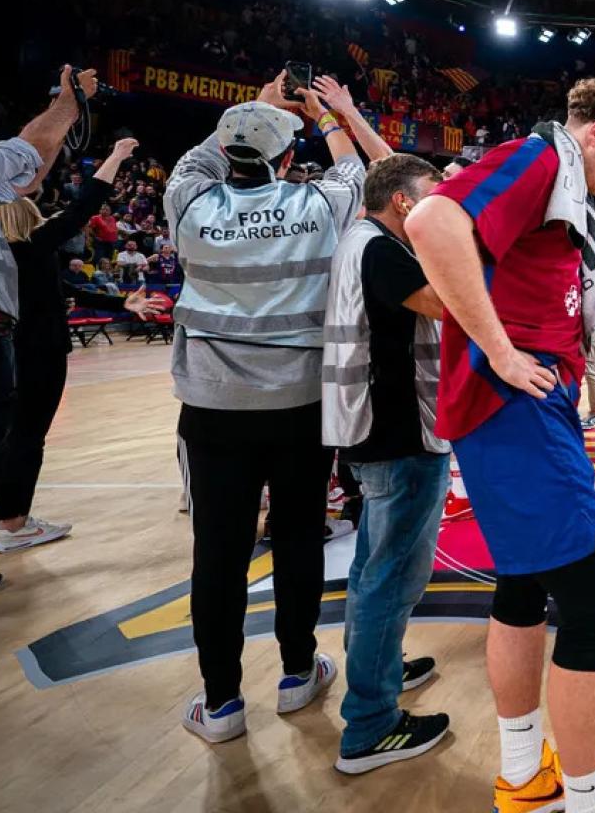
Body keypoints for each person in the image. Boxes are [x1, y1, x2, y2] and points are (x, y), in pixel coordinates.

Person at [407, 77, 595, 813]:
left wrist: (590, 279)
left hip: (519, 409)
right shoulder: (539, 159)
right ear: (594, 134)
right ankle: (586, 798)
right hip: (514, 406)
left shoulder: (556, 177)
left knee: (525, 587)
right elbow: (430, 221)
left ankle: (525, 772)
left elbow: (520, 261)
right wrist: (499, 349)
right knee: (589, 601)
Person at [170, 71, 366, 743]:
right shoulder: (319, 206)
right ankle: (296, 672)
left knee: (218, 555)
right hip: (300, 407)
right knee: (297, 539)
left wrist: (252, 104)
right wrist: (328, 115)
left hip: (213, 409)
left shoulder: (188, 205)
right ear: (288, 158)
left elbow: (196, 161)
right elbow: (358, 173)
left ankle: (221, 702)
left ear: (228, 153)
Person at [0, 138, 166, 551]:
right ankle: (14, 523)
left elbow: (66, 289)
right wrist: (116, 157)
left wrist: (120, 300)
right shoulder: (32, 247)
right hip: (39, 354)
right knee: (27, 435)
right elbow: (81, 208)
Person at [321, 151, 454, 774]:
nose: (440, 201)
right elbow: (448, 306)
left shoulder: (365, 238)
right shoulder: (380, 249)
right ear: (404, 200)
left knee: (377, 565)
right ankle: (370, 725)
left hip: (379, 429)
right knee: (392, 574)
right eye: (432, 192)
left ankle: (380, 666)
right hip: (394, 432)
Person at [0, 65, 95, 629]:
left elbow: (27, 175)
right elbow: (23, 152)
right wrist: (69, 102)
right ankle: (6, 518)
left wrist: (67, 116)